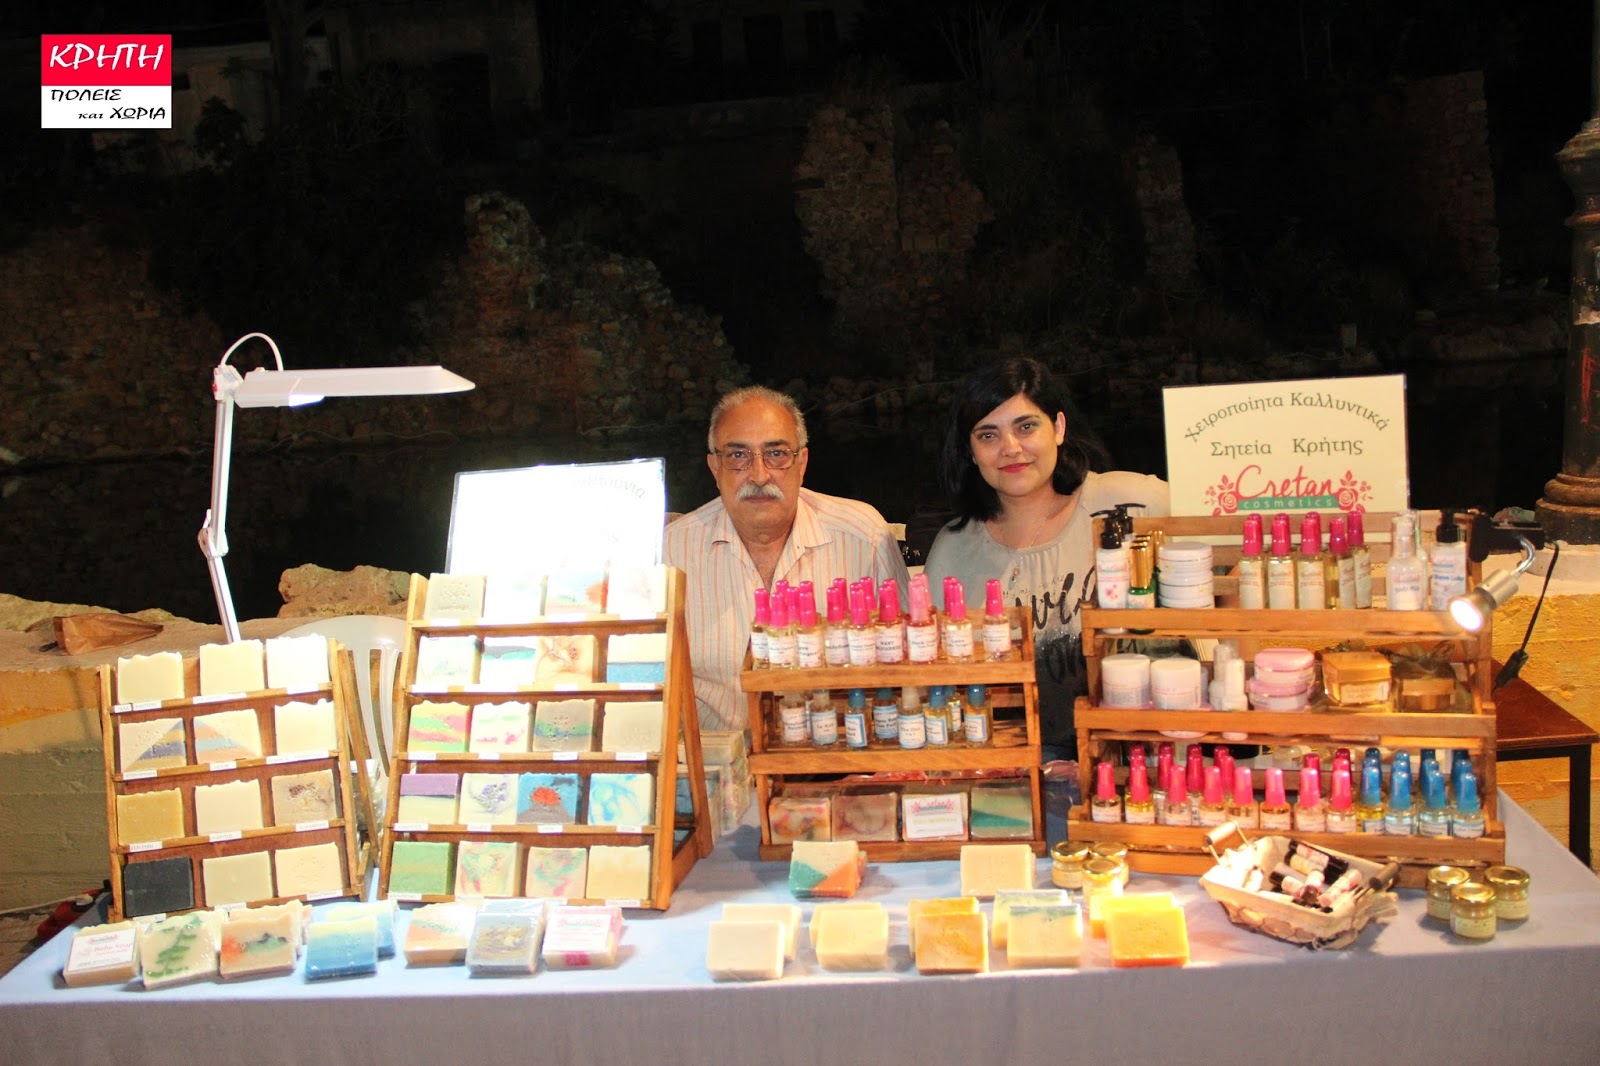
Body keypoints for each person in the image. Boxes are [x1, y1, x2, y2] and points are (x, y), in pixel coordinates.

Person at [922, 357, 1169, 753]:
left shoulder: (1134, 504)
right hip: (1020, 769)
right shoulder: (954, 552)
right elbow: (936, 683)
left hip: (1149, 756)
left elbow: (1232, 568)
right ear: (970, 450)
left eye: (1026, 427)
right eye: (988, 435)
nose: (1010, 449)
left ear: (1058, 427)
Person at [664, 385, 910, 731]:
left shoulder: (864, 538)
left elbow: (910, 665)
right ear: (715, 468)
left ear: (802, 463)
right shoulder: (672, 552)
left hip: (839, 752)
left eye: (776, 453)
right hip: (716, 759)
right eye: (738, 456)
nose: (759, 475)